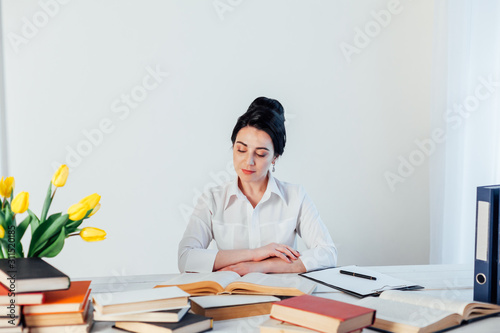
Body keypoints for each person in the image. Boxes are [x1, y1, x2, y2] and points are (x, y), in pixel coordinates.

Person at [178, 97, 337, 275]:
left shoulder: (295, 196)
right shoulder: (212, 199)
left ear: (275, 157)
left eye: (261, 154)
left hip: (281, 298)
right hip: (229, 298)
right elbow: (186, 258)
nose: (249, 161)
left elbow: (327, 253)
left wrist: (261, 266)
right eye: (241, 150)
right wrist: (256, 254)